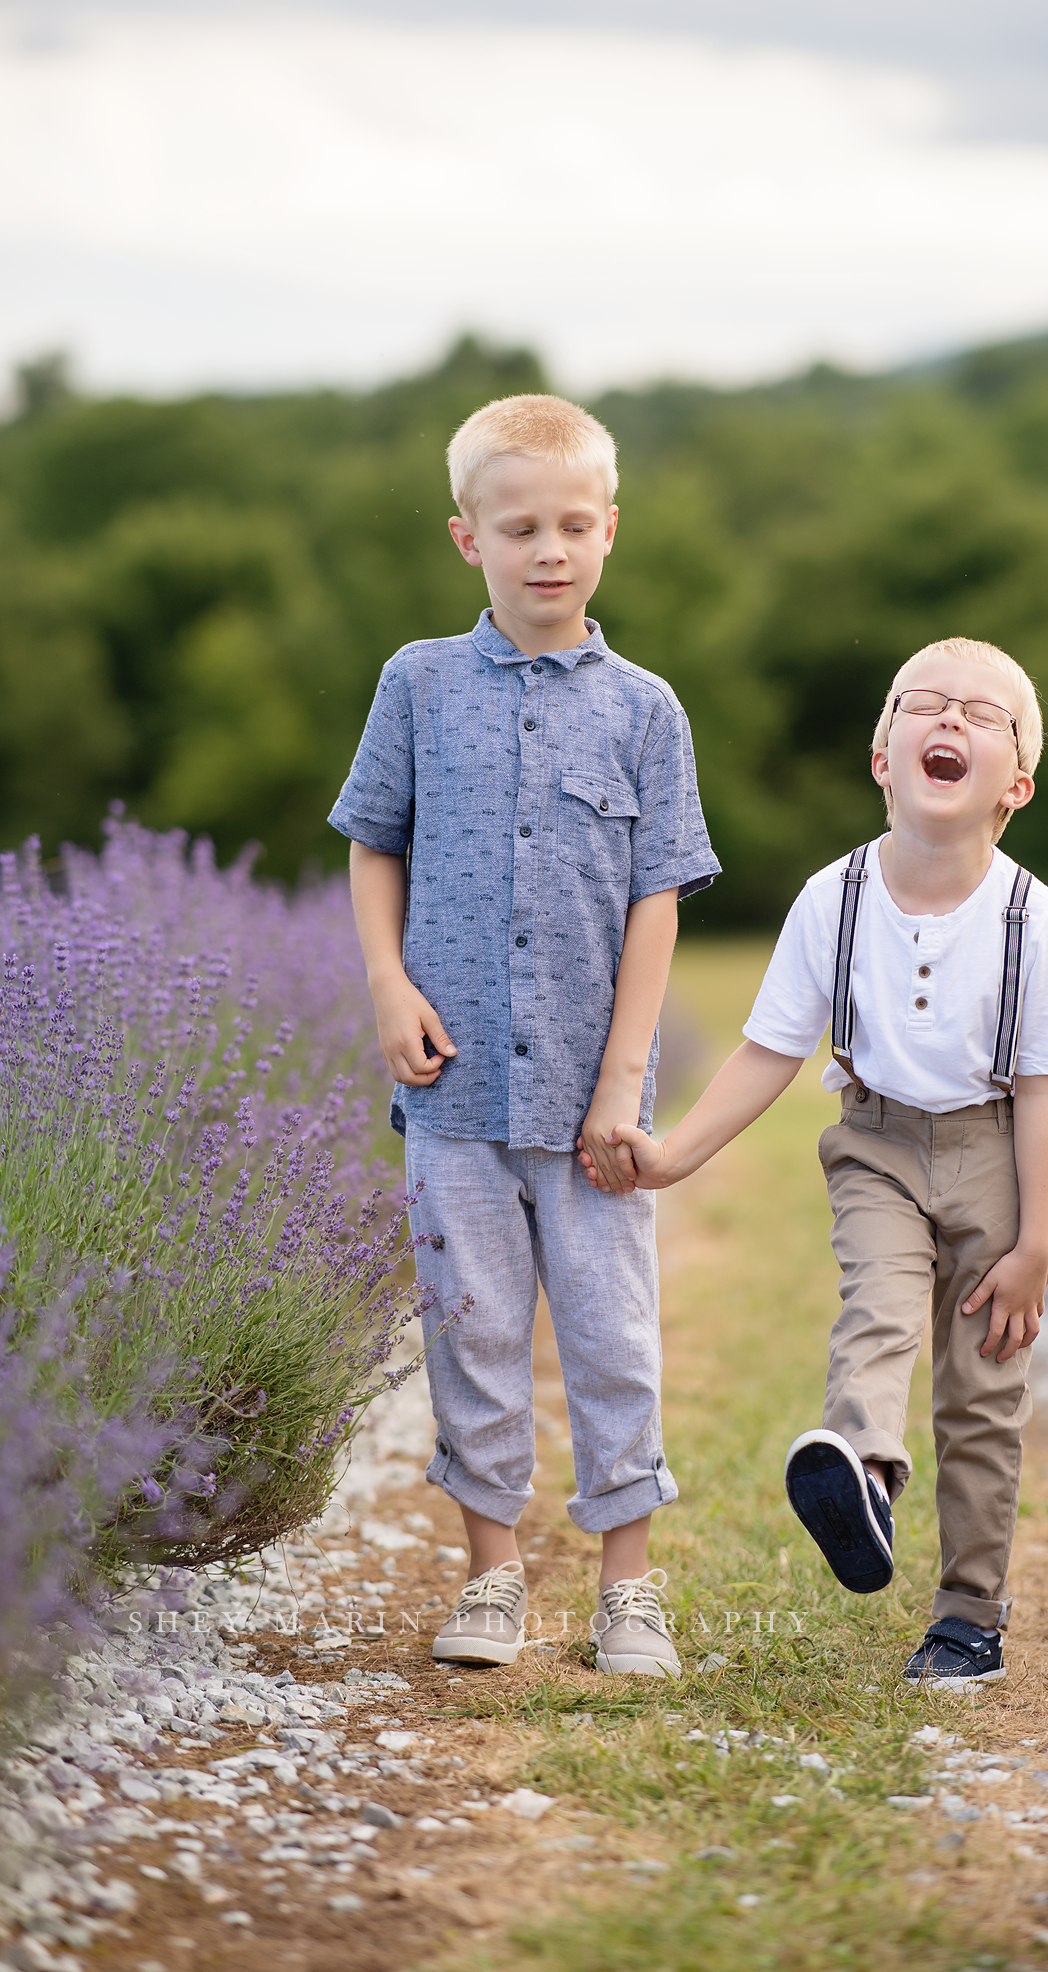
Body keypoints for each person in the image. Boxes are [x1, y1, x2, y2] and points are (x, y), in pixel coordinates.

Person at [581, 635, 1048, 1689]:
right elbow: (771, 1050)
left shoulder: (1032, 917)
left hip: (995, 1151)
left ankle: (969, 1615)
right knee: (879, 1311)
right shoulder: (836, 897)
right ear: (882, 757)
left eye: (980, 715)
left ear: (1019, 785)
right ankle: (861, 1469)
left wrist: (1037, 1243)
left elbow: (1045, 1088)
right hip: (877, 1144)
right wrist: (671, 1155)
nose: (948, 721)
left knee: (983, 1393)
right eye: (923, 704)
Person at [329, 393, 718, 1680]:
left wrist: (625, 1081)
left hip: (592, 1105)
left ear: (611, 531)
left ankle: (628, 1591)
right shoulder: (419, 684)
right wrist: (387, 983)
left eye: (572, 525)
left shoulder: (649, 711)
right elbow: (372, 844)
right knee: (474, 1328)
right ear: (467, 539)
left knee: (613, 1335)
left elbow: (658, 900)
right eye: (519, 528)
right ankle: (493, 1582)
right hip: (452, 1091)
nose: (547, 549)